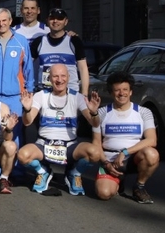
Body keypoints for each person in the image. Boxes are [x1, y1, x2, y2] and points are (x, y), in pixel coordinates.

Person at [16, 64, 102, 195]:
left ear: (69, 77)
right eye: (55, 76)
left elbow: (94, 123)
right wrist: (27, 109)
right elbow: (27, 122)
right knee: (22, 155)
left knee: (95, 153)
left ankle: (74, 173)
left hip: (70, 147)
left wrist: (94, 112)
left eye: (63, 76)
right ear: (49, 79)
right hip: (44, 145)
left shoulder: (77, 97)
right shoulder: (41, 96)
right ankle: (43, 171)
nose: (59, 80)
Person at [92, 72, 160, 204]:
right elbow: (96, 144)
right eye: (117, 90)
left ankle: (139, 187)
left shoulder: (143, 112)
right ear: (111, 93)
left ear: (130, 92)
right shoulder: (101, 112)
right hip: (110, 160)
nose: (121, 93)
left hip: (133, 158)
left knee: (152, 154)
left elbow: (152, 140)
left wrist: (125, 152)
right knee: (103, 193)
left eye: (125, 90)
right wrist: (105, 163)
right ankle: (118, 182)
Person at [0, 8, 35, 146]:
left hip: (15, 97)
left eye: (4, 20)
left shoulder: (21, 41)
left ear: (10, 21)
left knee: (14, 134)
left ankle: (15, 168)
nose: (1, 24)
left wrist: (30, 91)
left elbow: (28, 69)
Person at [30, 7, 89, 96]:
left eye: (60, 19)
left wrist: (84, 93)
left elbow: (83, 68)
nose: (55, 21)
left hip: (70, 93)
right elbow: (26, 66)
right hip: (45, 93)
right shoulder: (39, 41)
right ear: (47, 21)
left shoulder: (74, 41)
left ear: (66, 21)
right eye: (52, 18)